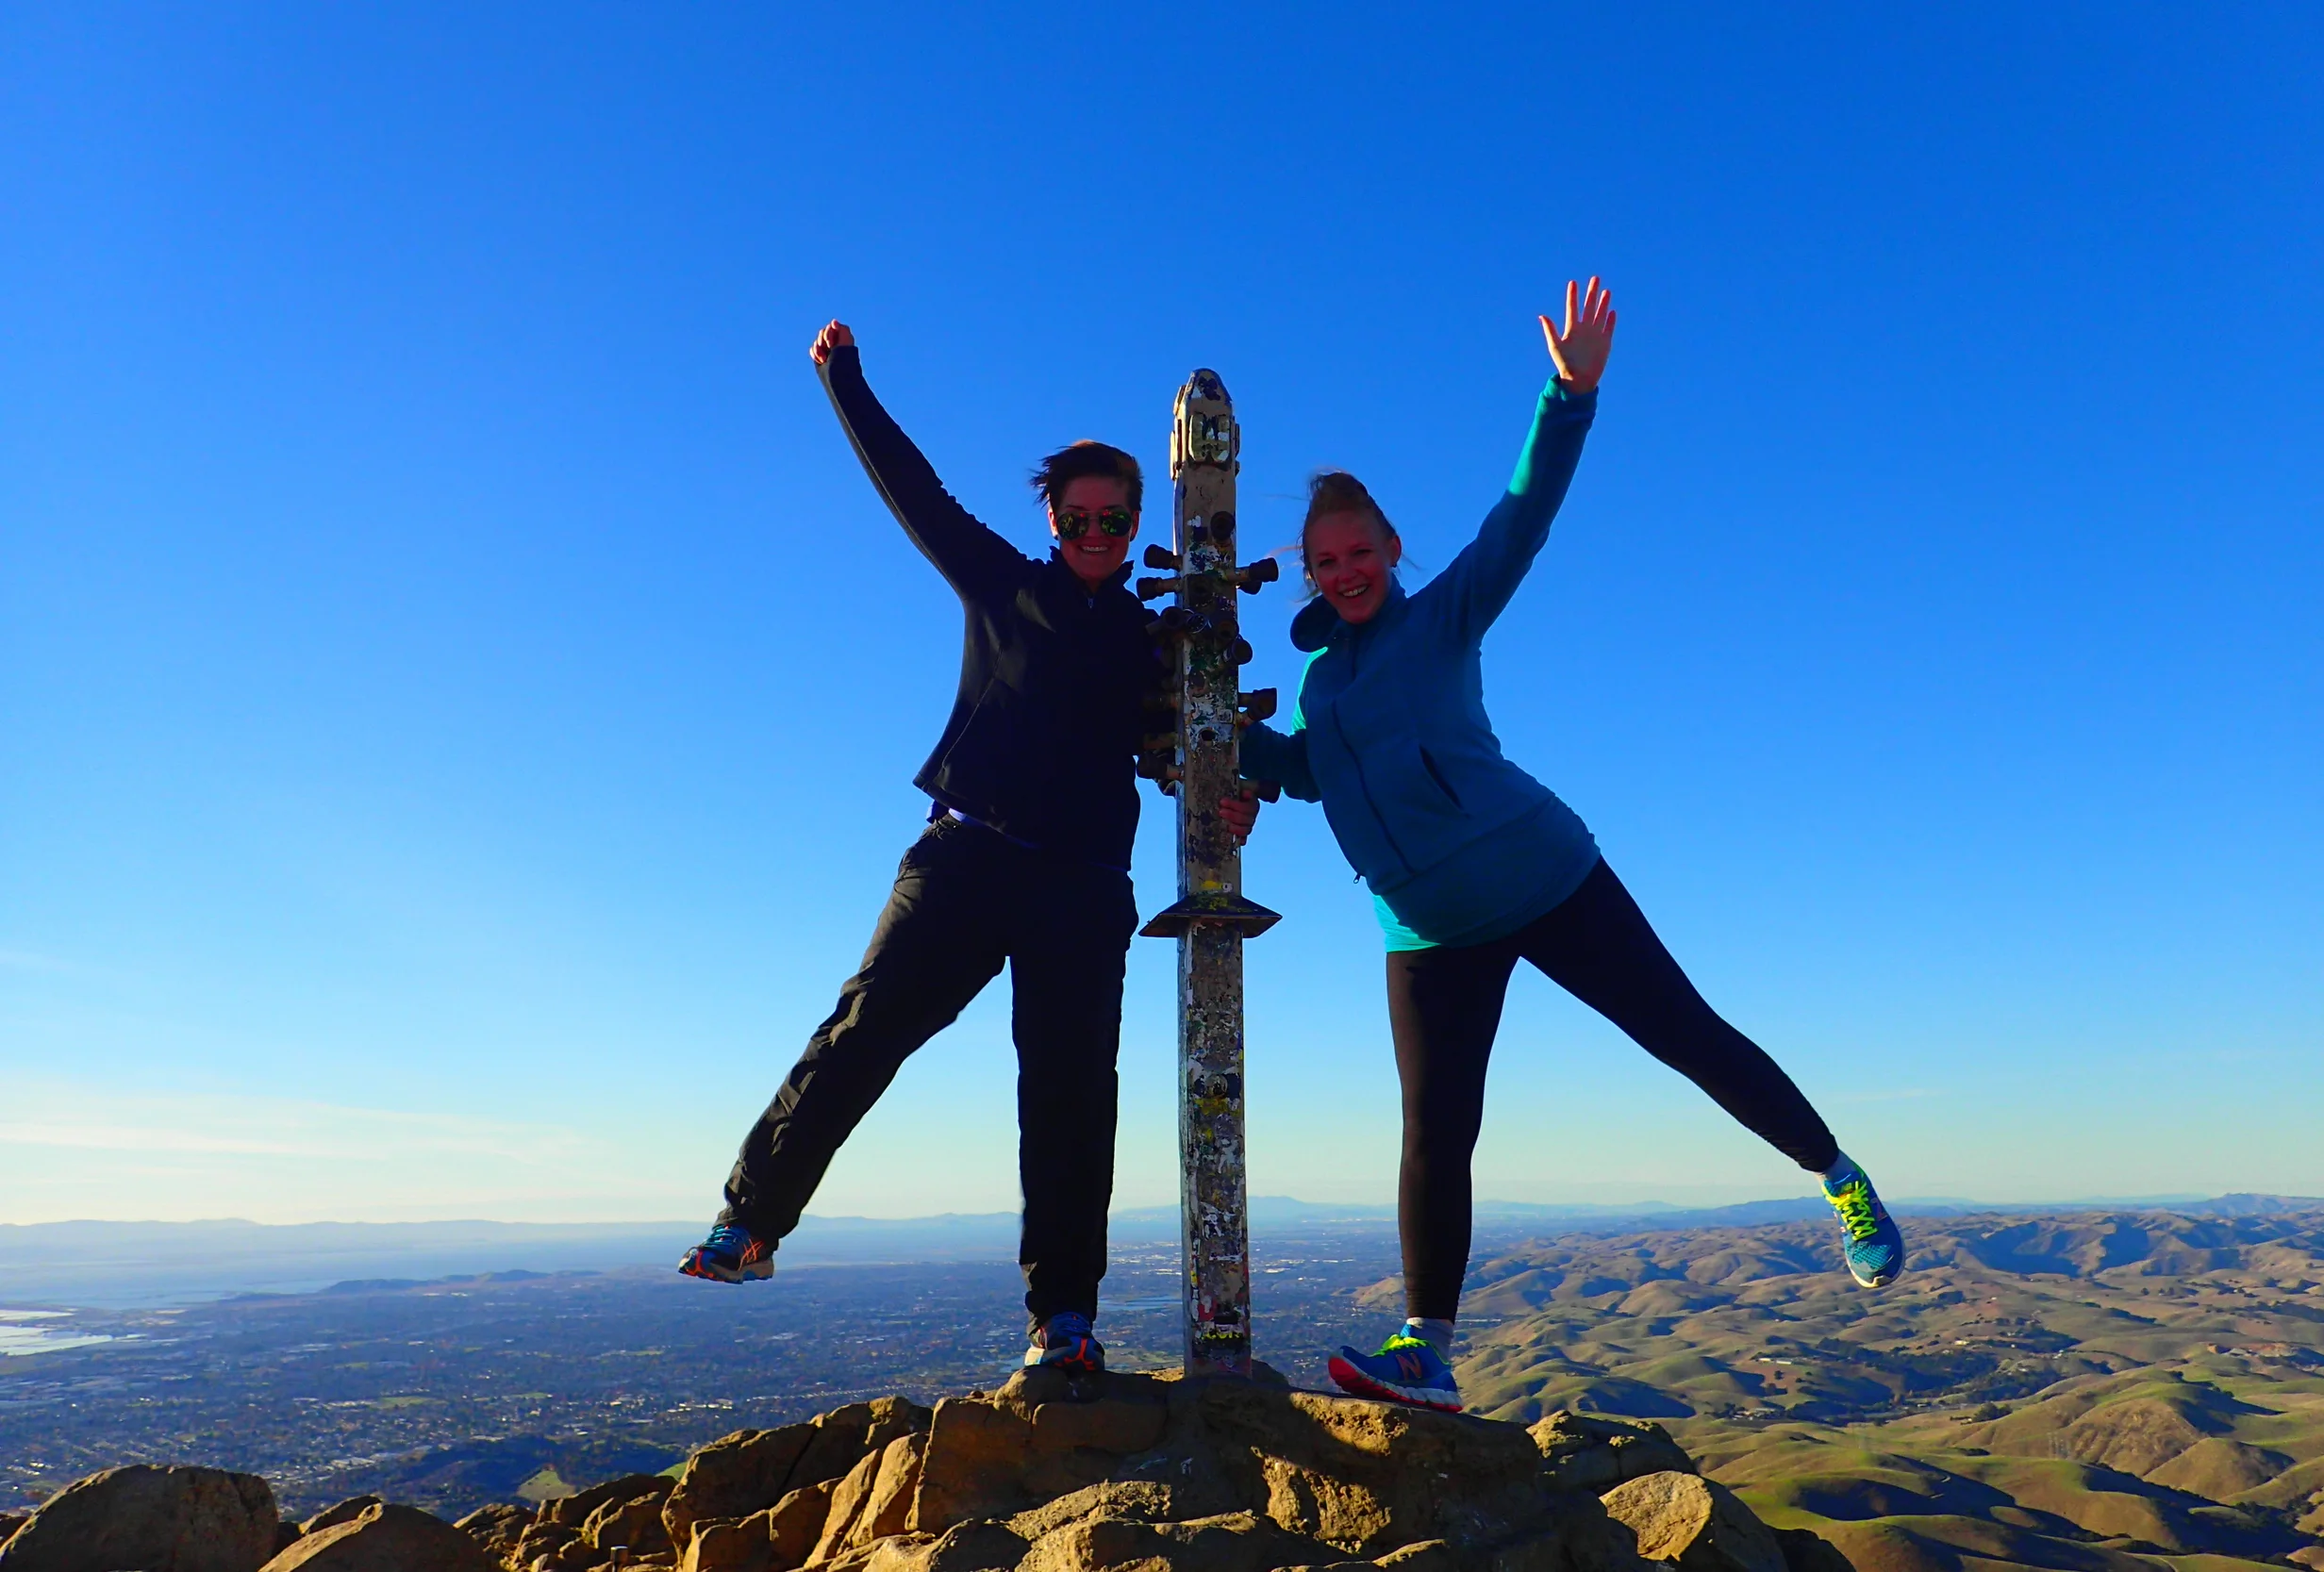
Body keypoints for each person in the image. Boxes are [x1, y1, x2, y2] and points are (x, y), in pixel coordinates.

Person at [1240, 278, 1903, 1413]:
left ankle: (1837, 1176)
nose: (1345, 571)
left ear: (1392, 547)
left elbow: (1520, 517)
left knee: (1682, 1031)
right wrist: (1239, 758)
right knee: (1435, 1133)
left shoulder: (1441, 614)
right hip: (1424, 924)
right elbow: (1314, 773)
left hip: (1540, 871)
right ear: (1308, 573)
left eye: (1359, 550)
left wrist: (1569, 392)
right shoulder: (1315, 683)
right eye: (1324, 562)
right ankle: (1429, 1350)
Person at [678, 321, 1256, 1377]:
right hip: (967, 856)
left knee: (1073, 1094)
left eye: (1113, 517)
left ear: (1134, 526)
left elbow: (1199, 748)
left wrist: (1237, 805)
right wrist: (842, 378)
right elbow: (914, 489)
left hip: (1082, 886)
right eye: (1077, 514)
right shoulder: (1000, 582)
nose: (1094, 528)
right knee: (863, 1030)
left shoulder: (1149, 639)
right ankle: (750, 1221)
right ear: (1052, 516)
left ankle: (1064, 1320)